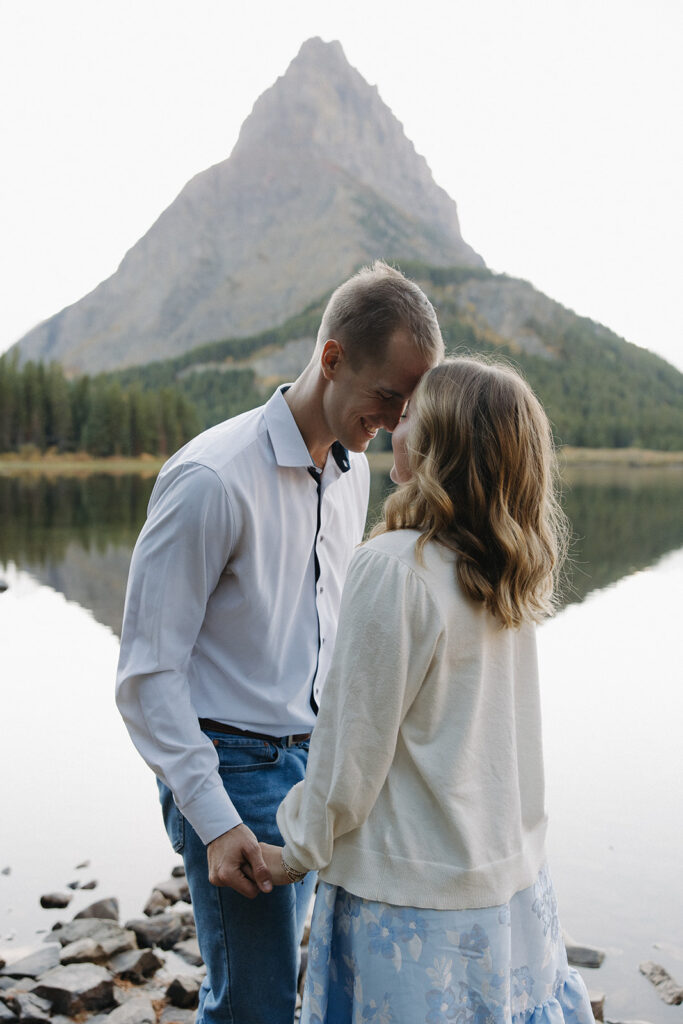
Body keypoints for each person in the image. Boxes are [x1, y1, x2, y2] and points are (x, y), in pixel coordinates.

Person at [115, 260, 444, 1024]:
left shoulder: (353, 472)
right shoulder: (209, 479)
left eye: (410, 401)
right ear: (331, 359)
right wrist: (215, 817)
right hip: (233, 767)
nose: (397, 420)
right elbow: (147, 674)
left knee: (295, 986)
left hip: (316, 766)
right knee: (255, 1005)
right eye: (387, 395)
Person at [262, 357, 595, 1024]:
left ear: (442, 444)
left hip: (410, 905)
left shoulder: (394, 568)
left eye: (410, 414)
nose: (392, 423)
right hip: (512, 889)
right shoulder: (503, 571)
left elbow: (348, 755)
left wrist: (293, 853)